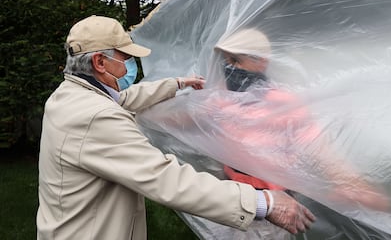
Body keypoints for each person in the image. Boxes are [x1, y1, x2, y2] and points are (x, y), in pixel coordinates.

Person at [36, 15, 316, 240]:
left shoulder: (70, 96)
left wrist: (177, 84)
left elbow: (126, 98)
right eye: (125, 59)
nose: (129, 68)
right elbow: (166, 179)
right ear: (100, 62)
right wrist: (264, 202)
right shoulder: (97, 116)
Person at [212, 28, 390, 211]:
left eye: (235, 60)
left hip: (275, 202)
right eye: (224, 60)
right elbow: (195, 121)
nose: (229, 67)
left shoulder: (281, 102)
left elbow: (315, 144)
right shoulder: (221, 96)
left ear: (261, 62)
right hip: (231, 192)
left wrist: (352, 183)